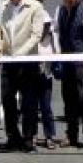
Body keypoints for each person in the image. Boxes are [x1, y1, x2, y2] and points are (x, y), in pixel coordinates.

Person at [0, 0, 46, 152]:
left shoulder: (35, 7)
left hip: (27, 62)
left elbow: (37, 35)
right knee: (7, 100)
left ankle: (28, 138)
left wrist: (21, 53)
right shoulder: (3, 7)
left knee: (28, 102)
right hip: (8, 61)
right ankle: (12, 136)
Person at [52, 0, 83, 150]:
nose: (67, 4)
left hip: (82, 62)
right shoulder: (61, 10)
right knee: (69, 100)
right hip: (66, 61)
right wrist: (57, 51)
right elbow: (56, 31)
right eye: (65, 1)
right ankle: (71, 135)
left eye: (70, 1)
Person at [36, 11, 57, 149]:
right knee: (30, 107)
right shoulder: (31, 37)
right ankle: (31, 135)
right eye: (43, 25)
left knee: (46, 107)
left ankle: (49, 136)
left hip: (46, 75)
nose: (45, 27)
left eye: (47, 25)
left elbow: (57, 53)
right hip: (31, 74)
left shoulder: (52, 37)